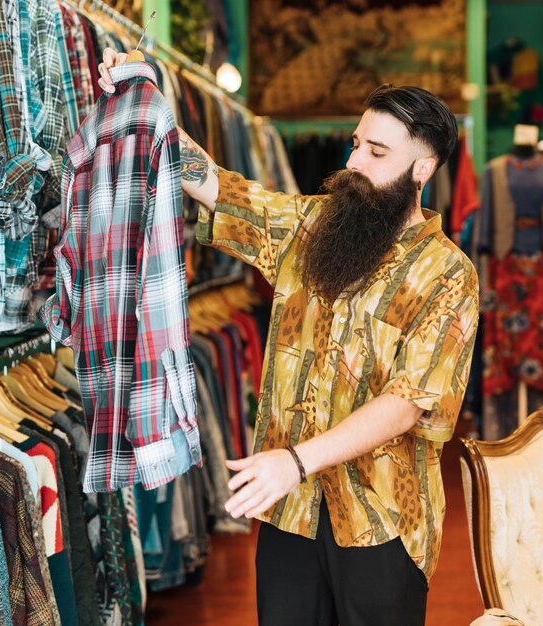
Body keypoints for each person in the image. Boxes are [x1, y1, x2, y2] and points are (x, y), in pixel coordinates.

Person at [99, 50, 479, 626]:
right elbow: (215, 188)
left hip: (380, 518)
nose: (354, 161)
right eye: (356, 143)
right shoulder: (308, 227)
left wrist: (295, 463)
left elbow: (409, 403)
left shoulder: (448, 275)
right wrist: (147, 100)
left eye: (377, 153)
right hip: (291, 513)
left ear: (421, 170)